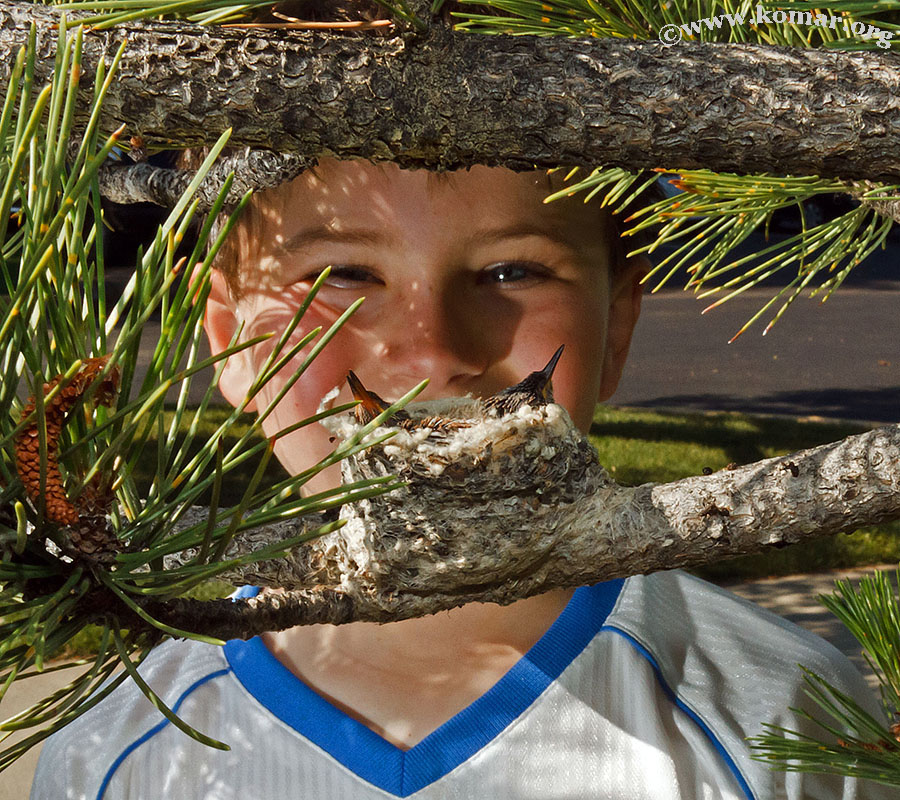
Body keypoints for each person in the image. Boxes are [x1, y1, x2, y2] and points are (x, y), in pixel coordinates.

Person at [31, 159, 891, 799]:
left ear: (617, 324)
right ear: (227, 335)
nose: (432, 348)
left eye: (512, 270)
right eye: (344, 274)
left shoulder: (784, 716)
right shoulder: (115, 757)